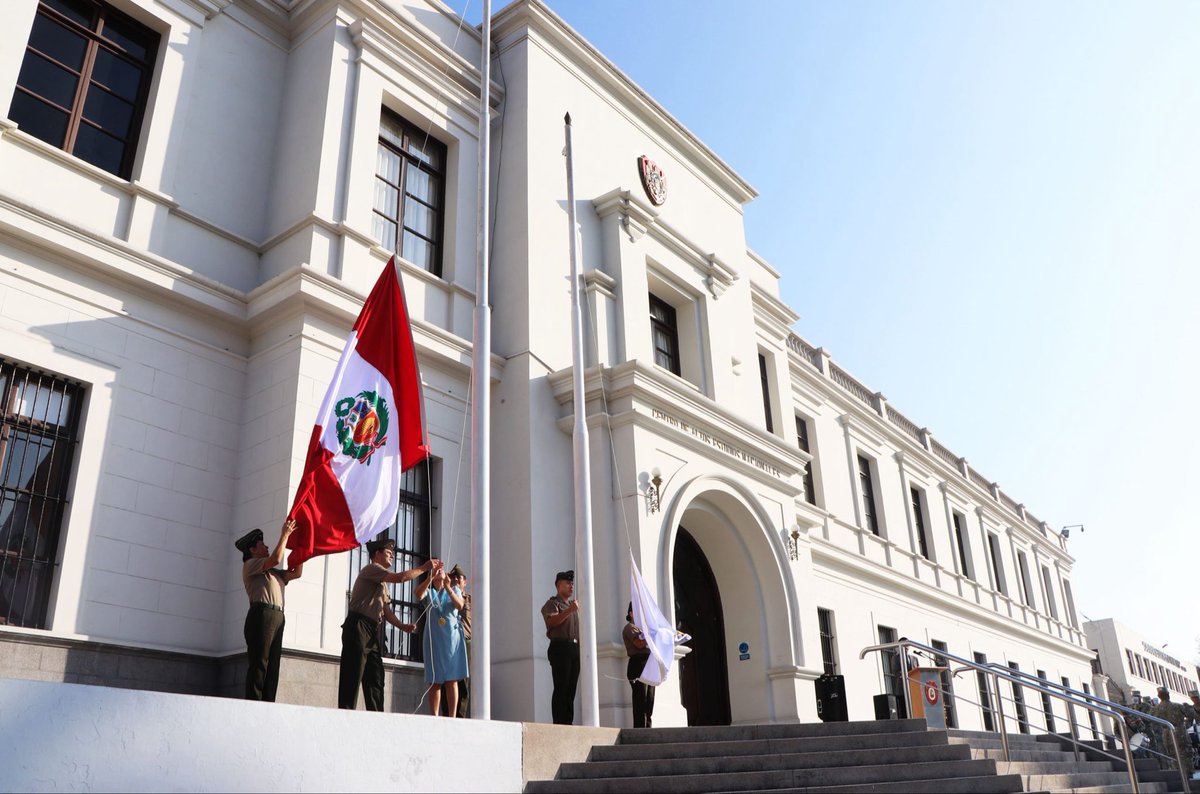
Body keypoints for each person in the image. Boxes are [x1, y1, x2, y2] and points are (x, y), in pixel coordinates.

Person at [339, 536, 439, 711]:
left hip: (372, 630)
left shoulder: (382, 582)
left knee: (376, 678)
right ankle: (345, 714)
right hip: (358, 626)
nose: (392, 556)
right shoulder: (372, 569)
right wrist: (424, 568)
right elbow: (400, 578)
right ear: (377, 554)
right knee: (352, 676)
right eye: (388, 552)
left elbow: (386, 611)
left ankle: (376, 717)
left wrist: (402, 626)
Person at [236, 520, 303, 701]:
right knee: (260, 664)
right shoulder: (251, 564)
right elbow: (276, 558)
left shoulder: (274, 572)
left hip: (277, 616)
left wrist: (301, 547)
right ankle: (253, 704)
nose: (266, 547)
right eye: (262, 544)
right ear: (252, 550)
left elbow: (296, 573)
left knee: (272, 667)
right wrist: (285, 535)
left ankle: (268, 704)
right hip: (261, 614)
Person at [415, 561, 467, 717]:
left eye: (442, 570)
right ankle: (434, 716)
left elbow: (460, 605)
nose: (440, 571)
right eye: (436, 570)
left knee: (452, 679)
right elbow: (418, 594)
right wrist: (429, 579)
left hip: (451, 640)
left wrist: (448, 587)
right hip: (434, 641)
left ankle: (452, 716)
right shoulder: (430, 592)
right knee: (434, 681)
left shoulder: (454, 589)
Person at [541, 569, 581, 725]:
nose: (571, 586)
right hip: (560, 648)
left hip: (574, 648)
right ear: (559, 586)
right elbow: (551, 622)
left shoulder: (573, 605)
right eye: (567, 583)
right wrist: (570, 610)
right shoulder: (552, 603)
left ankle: (568, 723)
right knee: (561, 687)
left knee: (571, 689)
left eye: (572, 583)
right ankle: (559, 723)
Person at [623, 602, 655, 728]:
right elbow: (639, 643)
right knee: (640, 699)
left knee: (649, 699)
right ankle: (640, 729)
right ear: (631, 613)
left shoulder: (644, 629)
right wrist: (652, 635)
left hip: (649, 664)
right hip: (638, 664)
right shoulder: (630, 627)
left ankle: (648, 727)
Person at [448, 564, 471, 718]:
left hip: (464, 639)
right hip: (448, 640)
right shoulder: (445, 595)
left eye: (459, 578)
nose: (456, 580)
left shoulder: (470, 599)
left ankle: (460, 715)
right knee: (447, 678)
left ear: (465, 582)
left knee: (462, 680)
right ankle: (447, 712)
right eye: (453, 577)